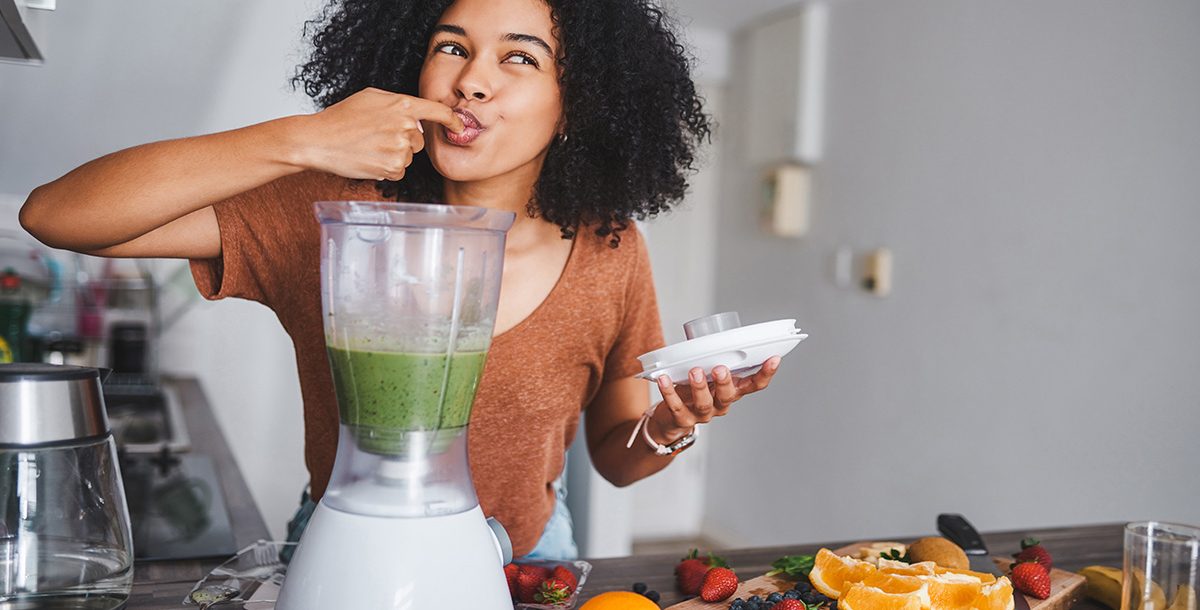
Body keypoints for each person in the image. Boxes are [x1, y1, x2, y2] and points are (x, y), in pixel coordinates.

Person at [20, 0, 782, 560]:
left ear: (576, 105)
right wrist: (304, 139)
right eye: (451, 46)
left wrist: (673, 425)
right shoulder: (333, 213)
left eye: (519, 57)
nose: (470, 81)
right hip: (347, 546)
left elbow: (618, 458)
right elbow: (58, 215)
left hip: (531, 566)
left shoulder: (611, 249)